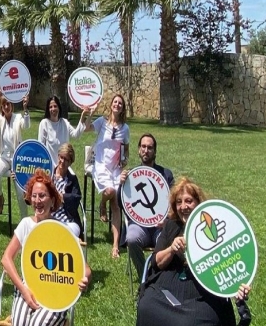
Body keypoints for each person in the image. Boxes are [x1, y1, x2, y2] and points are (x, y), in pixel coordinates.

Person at [122, 177, 251, 326]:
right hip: (169, 282)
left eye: (189, 200)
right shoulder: (172, 226)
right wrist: (172, 249)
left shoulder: (215, 228)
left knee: (190, 325)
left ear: (198, 202)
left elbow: (230, 269)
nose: (184, 206)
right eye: (179, 202)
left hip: (202, 292)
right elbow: (156, 262)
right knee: (148, 307)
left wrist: (238, 293)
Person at [0, 170, 91, 326]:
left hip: (55, 298)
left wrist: (85, 278)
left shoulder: (62, 229)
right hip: (27, 291)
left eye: (43, 196)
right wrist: (24, 289)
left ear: (52, 199)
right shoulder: (25, 224)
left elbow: (83, 266)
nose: (38, 201)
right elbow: (6, 258)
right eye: (34, 196)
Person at [121, 133, 174, 278]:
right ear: (138, 150)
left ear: (155, 151)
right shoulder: (130, 176)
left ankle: (160, 277)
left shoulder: (166, 175)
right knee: (131, 238)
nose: (146, 150)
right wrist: (121, 185)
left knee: (167, 241)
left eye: (150, 147)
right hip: (139, 226)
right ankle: (145, 276)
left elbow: (174, 203)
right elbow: (123, 205)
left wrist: (167, 220)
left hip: (160, 226)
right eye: (143, 147)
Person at [85, 94, 129, 258]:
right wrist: (90, 113)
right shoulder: (102, 122)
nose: (117, 105)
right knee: (110, 191)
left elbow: (126, 148)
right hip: (101, 166)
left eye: (120, 103)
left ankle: (115, 246)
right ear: (111, 105)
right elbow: (86, 128)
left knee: (117, 202)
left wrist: (124, 162)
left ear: (122, 108)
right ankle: (102, 204)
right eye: (115, 102)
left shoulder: (125, 128)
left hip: (116, 168)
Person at [0, 89, 30, 217]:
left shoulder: (18, 117)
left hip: (17, 159)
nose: (6, 107)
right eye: (4, 105)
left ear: (12, 105)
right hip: (4, 157)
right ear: (2, 107)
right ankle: (0, 197)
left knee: (20, 194)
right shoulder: (0, 119)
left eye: (8, 104)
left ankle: (24, 221)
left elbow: (26, 126)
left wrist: (25, 108)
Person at [37, 95, 88, 168]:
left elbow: (76, 135)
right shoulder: (44, 123)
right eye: (50, 107)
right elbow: (40, 148)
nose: (53, 109)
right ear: (48, 109)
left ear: (59, 108)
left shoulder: (64, 122)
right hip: (50, 168)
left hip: (64, 168)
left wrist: (83, 116)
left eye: (55, 106)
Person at [51, 143, 83, 238]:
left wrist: (63, 197)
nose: (62, 161)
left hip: (67, 219)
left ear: (70, 162)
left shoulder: (72, 179)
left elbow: (76, 198)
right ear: (58, 156)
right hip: (48, 215)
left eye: (66, 159)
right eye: (61, 157)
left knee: (69, 231)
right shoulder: (49, 174)